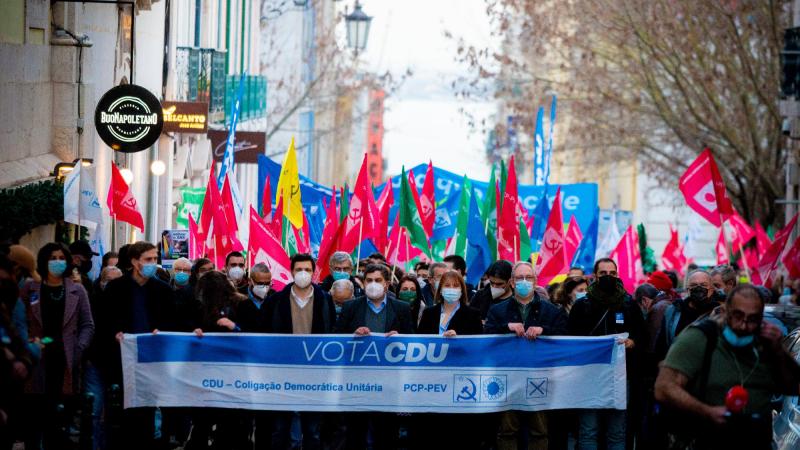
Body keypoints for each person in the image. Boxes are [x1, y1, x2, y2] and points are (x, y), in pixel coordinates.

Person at [655, 284, 800, 450]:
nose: (743, 325)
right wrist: (706, 411)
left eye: (752, 319)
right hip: (707, 441)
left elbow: (793, 387)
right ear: (726, 312)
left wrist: (779, 351)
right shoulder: (700, 338)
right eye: (738, 316)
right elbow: (664, 387)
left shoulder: (767, 344)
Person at [99, 241, 176, 450]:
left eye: (155, 259)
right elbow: (103, 322)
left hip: (151, 364)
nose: (153, 263)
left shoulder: (164, 291)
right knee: (120, 418)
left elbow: (173, 323)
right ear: (134, 262)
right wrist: (114, 335)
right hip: (122, 363)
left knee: (147, 416)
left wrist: (161, 333)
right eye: (148, 259)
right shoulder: (116, 288)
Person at [18, 242, 94, 450]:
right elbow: (19, 321)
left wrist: (78, 348)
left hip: (65, 361)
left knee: (59, 422)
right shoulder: (30, 287)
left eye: (62, 258)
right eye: (53, 258)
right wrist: (26, 344)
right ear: (44, 261)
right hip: (37, 358)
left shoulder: (77, 290)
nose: (58, 262)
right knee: (34, 422)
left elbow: (87, 325)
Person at [485, 262, 568, 450]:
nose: (524, 281)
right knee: (507, 430)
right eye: (520, 278)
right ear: (512, 283)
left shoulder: (552, 311)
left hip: (540, 378)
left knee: (539, 430)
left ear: (535, 281)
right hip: (507, 378)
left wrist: (544, 330)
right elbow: (486, 336)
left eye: (528, 278)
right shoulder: (497, 310)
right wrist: (505, 328)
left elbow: (564, 336)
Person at [567, 257, 645, 450]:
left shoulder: (629, 305)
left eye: (611, 273)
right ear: (594, 276)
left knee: (617, 431)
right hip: (589, 377)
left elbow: (642, 336)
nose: (608, 277)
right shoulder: (582, 305)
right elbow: (571, 339)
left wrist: (632, 342)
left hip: (619, 377)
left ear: (617, 275)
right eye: (603, 274)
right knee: (588, 431)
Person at [335, 263, 413, 449]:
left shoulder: (402, 308)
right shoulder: (350, 307)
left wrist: (400, 339)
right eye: (369, 280)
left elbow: (412, 340)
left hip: (389, 383)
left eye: (378, 280)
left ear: (386, 284)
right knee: (355, 433)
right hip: (357, 383)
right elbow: (337, 340)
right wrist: (353, 335)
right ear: (363, 283)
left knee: (386, 434)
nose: (373, 284)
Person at [268, 253, 336, 450]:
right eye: (299, 270)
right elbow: (262, 331)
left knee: (313, 430)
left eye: (307, 270)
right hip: (283, 372)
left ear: (314, 273)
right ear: (291, 272)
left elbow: (332, 330)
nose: (303, 273)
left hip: (314, 372)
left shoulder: (325, 300)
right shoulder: (276, 300)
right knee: (280, 428)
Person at [416, 270, 482, 448]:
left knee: (458, 431)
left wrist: (459, 338)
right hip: (432, 381)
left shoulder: (473, 315)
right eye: (447, 285)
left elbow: (477, 347)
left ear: (462, 289)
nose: (451, 289)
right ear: (440, 289)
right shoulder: (429, 313)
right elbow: (419, 343)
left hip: (460, 381)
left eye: (455, 285)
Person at [186, 270, 249, 450]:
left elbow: (255, 334)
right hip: (207, 372)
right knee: (204, 418)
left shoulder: (242, 305)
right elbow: (188, 325)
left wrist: (235, 327)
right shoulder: (200, 307)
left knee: (231, 419)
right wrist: (194, 331)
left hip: (234, 373)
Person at [656, 270, 720, 359]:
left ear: (712, 290)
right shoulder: (673, 311)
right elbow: (661, 345)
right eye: (693, 285)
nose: (698, 288)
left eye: (703, 285)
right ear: (688, 290)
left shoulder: (720, 313)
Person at [236, 263, 272, 332]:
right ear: (250, 281)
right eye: (260, 283)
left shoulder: (274, 297)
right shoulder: (238, 297)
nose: (264, 287)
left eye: (267, 283)